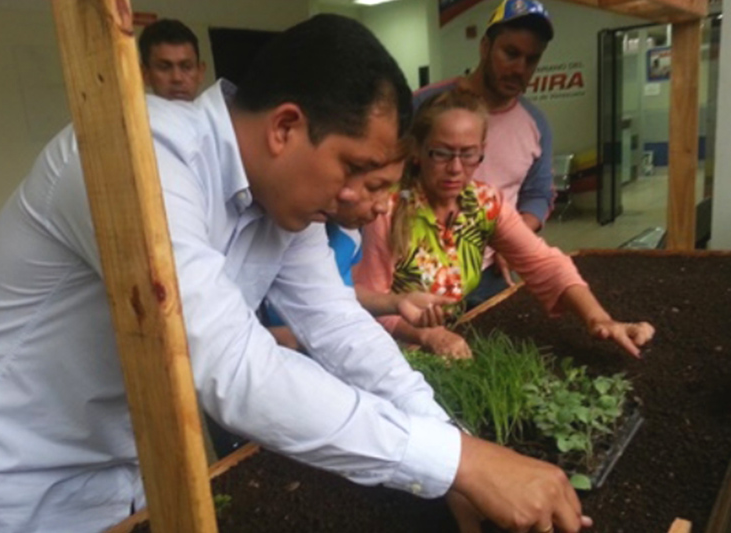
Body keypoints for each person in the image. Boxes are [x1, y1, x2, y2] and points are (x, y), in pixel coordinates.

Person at [0, 14, 591, 533]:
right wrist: (457, 463)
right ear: (286, 126)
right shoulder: (138, 155)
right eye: (354, 169)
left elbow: (340, 327)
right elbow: (233, 366)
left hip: (114, 493)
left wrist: (454, 444)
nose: (358, 203)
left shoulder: (283, 208)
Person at [355, 88, 655, 362]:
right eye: (441, 153)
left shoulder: (484, 203)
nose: (456, 168)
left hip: (450, 343)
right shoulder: (388, 210)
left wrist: (599, 319)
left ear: (482, 150)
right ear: (418, 151)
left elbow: (544, 263)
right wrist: (426, 335)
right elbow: (370, 303)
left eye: (468, 153)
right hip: (391, 353)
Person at [414, 0, 556, 309]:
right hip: (417, 276)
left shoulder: (537, 124)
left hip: (492, 276)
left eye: (532, 60)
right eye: (511, 53)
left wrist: (514, 236)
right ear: (485, 46)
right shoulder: (424, 105)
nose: (520, 68)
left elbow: (539, 194)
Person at [264, 156, 454, 351]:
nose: (383, 206)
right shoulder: (281, 227)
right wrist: (292, 337)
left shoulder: (351, 233)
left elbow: (341, 292)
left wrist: (397, 302)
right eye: (373, 187)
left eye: (389, 190)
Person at [139, 18, 206, 101]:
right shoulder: (131, 114)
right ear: (145, 74)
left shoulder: (219, 113)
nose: (177, 78)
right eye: (164, 68)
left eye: (186, 67)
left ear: (200, 72)